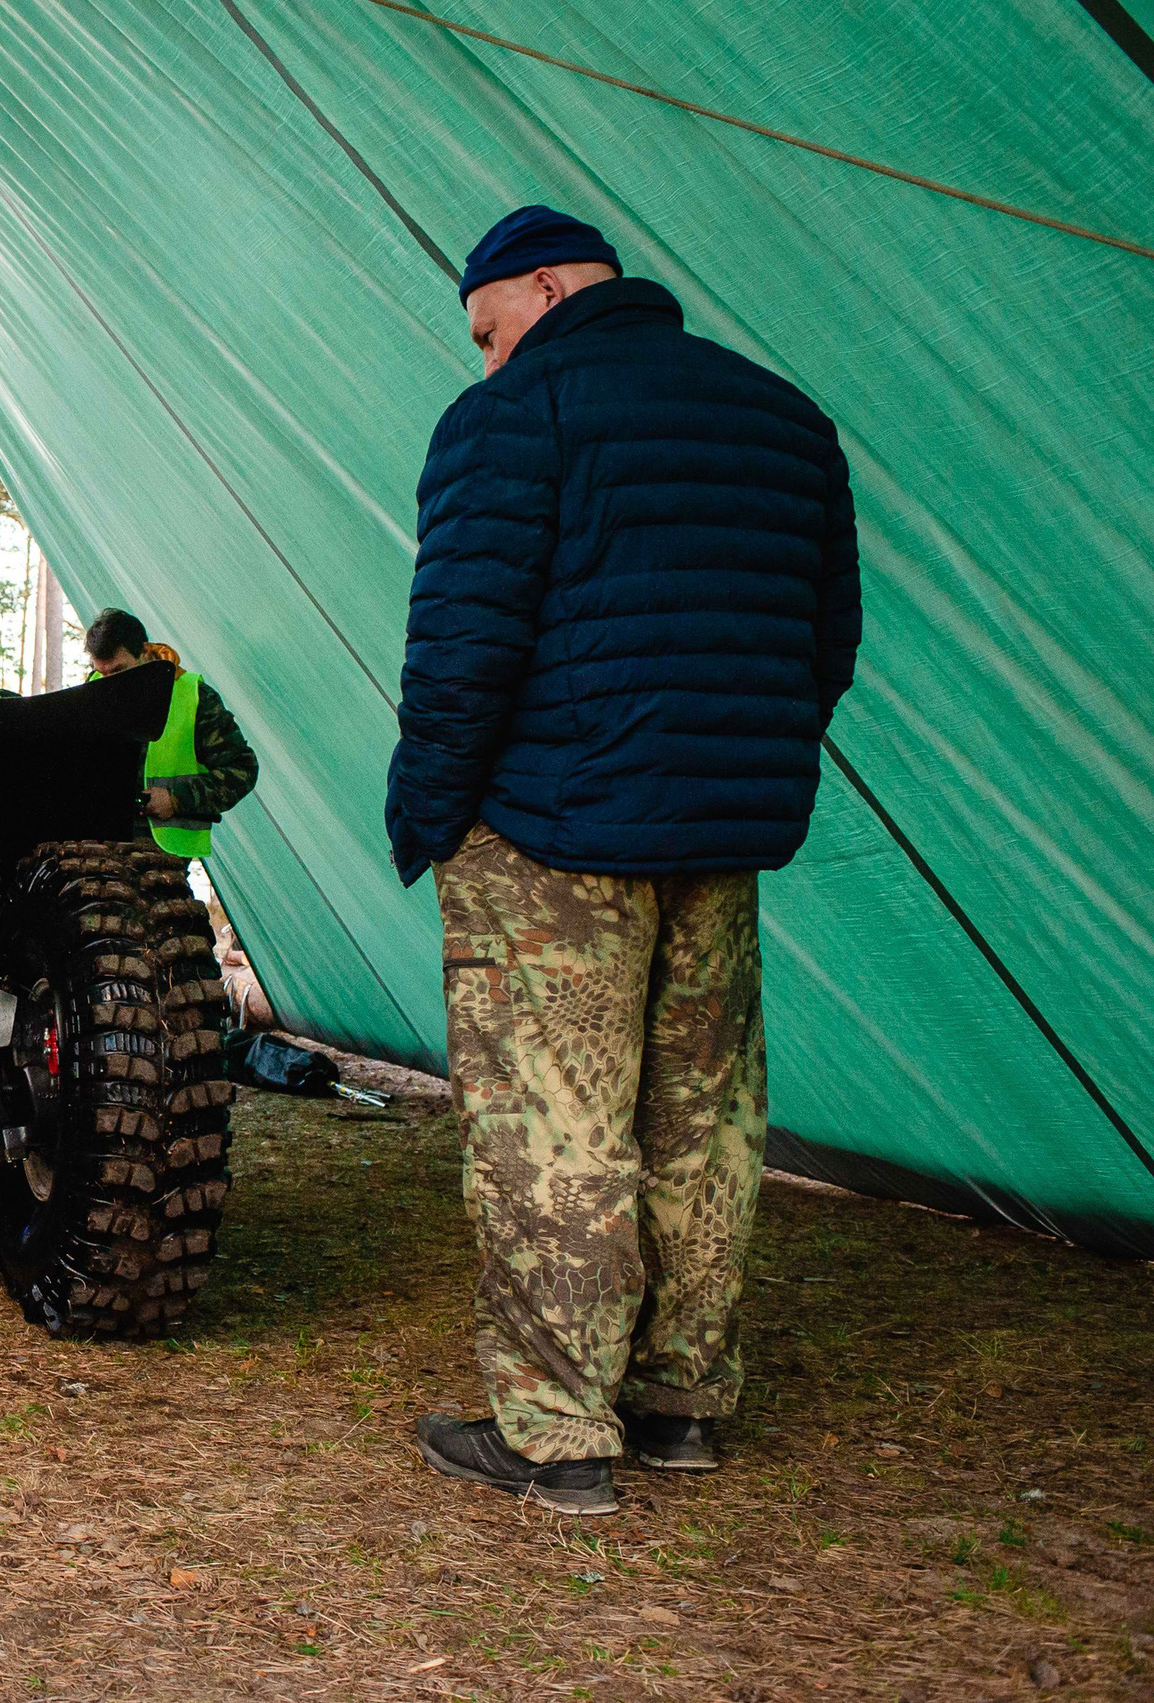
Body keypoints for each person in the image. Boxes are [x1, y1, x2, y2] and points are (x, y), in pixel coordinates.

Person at [388, 206, 860, 1515]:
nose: (485, 357)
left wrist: (431, 813)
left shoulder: (513, 416)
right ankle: (679, 1399)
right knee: (702, 1121)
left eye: (488, 329)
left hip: (554, 834)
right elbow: (824, 643)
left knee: (555, 1126)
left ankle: (558, 1432)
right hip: (716, 835)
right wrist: (728, 766)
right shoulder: (784, 421)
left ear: (544, 288)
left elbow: (462, 651)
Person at [82, 607, 257, 856]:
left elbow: (242, 770)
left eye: (119, 671)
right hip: (97, 846)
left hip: (164, 852)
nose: (111, 683)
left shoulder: (193, 696)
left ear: (144, 652)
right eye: (104, 673)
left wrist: (176, 799)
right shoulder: (92, 690)